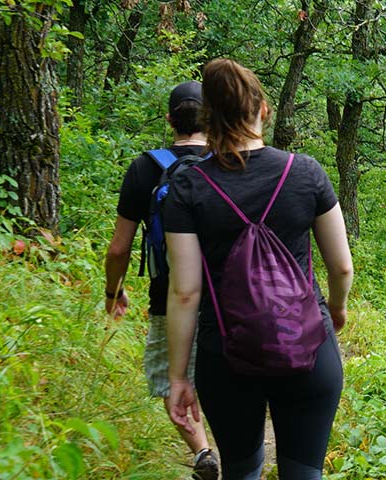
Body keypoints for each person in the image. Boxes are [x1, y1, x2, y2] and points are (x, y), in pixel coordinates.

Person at [161, 58, 354, 480]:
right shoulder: (305, 173)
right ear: (263, 109)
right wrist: (335, 310)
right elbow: (341, 266)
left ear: (208, 118)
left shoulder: (187, 187)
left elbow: (186, 292)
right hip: (307, 346)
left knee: (242, 472)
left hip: (226, 356)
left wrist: (178, 376)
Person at [103, 81, 219, 479]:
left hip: (167, 295)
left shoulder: (145, 168)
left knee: (175, 381)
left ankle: (202, 449)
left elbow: (119, 248)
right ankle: (237, 451)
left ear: (170, 119)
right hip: (229, 297)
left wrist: (113, 291)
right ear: (212, 117)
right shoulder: (231, 161)